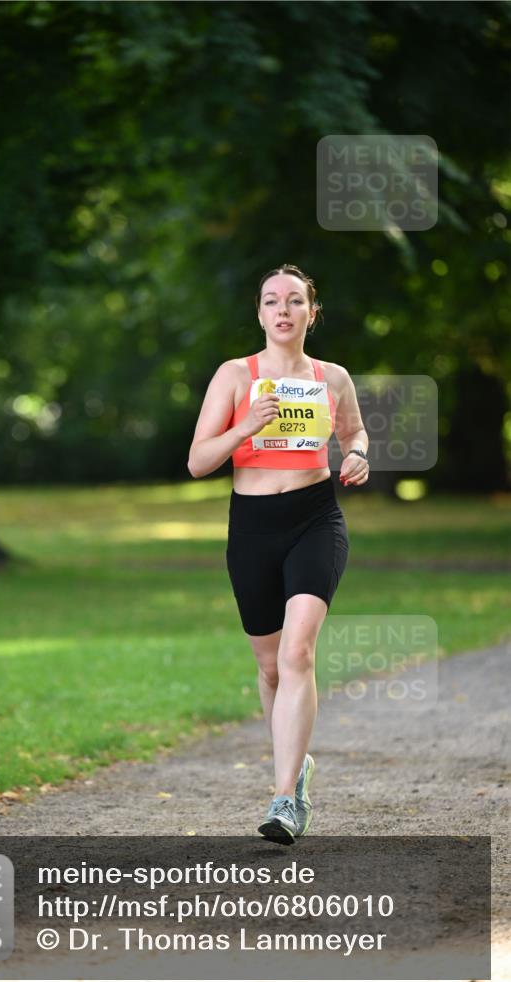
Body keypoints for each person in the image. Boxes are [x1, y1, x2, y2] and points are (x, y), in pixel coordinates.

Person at [187, 263, 369, 844]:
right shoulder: (236, 377)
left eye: (294, 301)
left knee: (297, 654)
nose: (283, 310)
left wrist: (358, 455)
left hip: (316, 519)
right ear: (260, 314)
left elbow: (353, 434)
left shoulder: (331, 377)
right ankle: (297, 770)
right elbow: (197, 461)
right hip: (253, 528)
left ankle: (285, 798)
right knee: (269, 666)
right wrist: (245, 428)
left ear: (311, 314)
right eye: (272, 301)